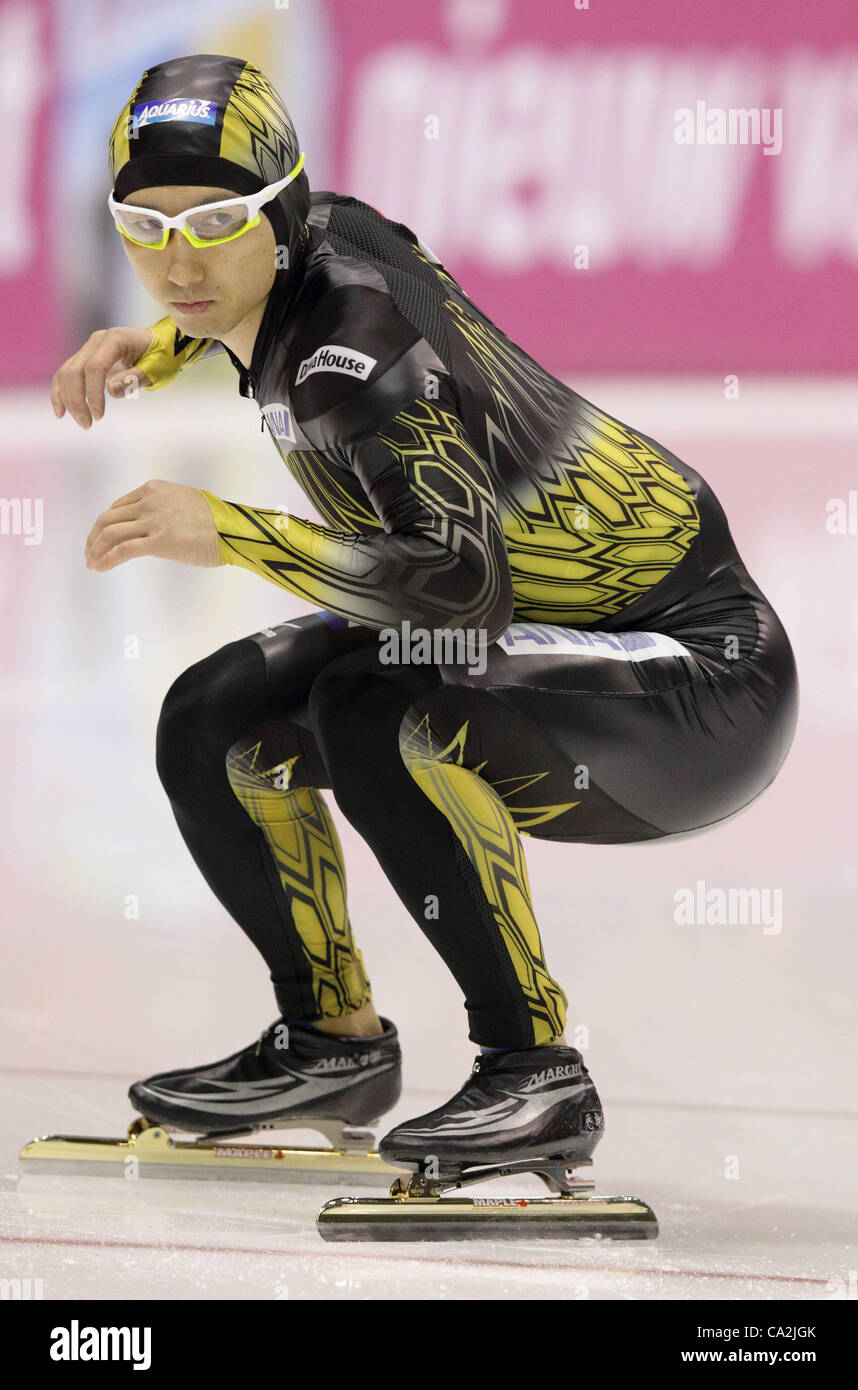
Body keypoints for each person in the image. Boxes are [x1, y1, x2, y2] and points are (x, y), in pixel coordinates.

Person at [51, 53, 797, 1175]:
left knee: (384, 708)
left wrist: (234, 529)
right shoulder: (307, 239)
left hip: (700, 672)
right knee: (212, 718)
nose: (178, 259)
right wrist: (157, 347)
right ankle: (329, 1040)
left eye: (210, 220)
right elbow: (228, 282)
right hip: (562, 627)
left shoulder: (355, 360)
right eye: (143, 226)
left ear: (278, 209)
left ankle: (534, 1071)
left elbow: (461, 587)